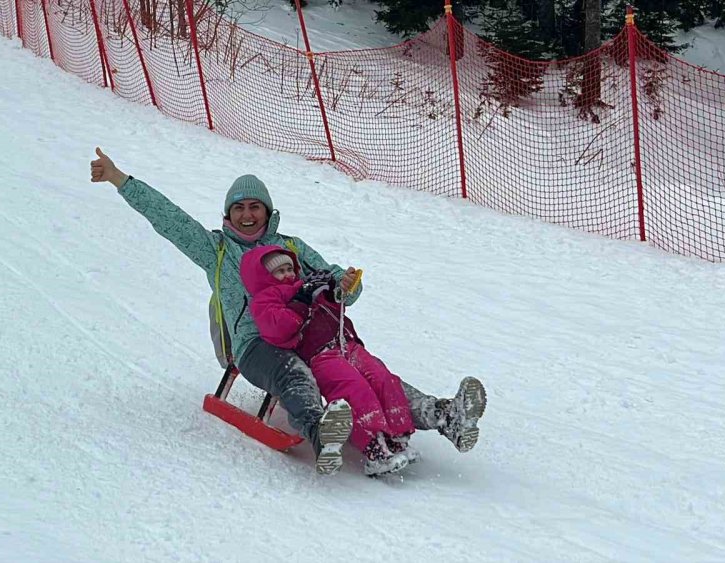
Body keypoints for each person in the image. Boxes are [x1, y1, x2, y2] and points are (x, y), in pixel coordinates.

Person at [89, 147, 487, 475]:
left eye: (255, 207)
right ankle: (322, 434)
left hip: (307, 337)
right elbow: (170, 221)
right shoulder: (217, 251)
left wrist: (349, 283)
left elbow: (332, 278)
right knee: (292, 372)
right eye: (239, 208)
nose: (247, 215)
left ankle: (443, 414)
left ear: (268, 211)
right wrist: (120, 179)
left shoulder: (290, 247)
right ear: (228, 216)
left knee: (369, 371)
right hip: (255, 345)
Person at [241, 244, 417, 476]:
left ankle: (397, 437)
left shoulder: (303, 285)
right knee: (354, 389)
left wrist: (331, 290)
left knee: (383, 378)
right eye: (279, 271)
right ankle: (374, 448)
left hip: (346, 343)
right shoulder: (265, 300)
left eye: (289, 268)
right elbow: (278, 329)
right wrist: (302, 300)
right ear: (263, 276)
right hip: (319, 354)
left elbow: (335, 310)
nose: (288, 274)